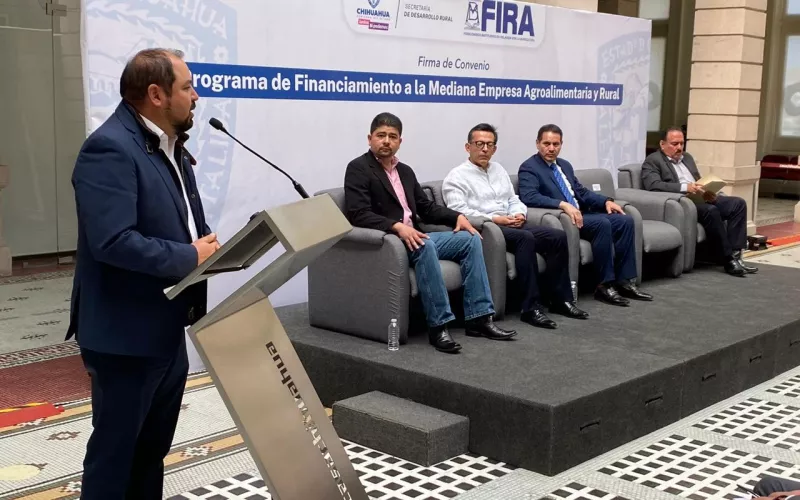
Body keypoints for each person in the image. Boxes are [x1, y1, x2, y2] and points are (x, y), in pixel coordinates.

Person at [66, 48, 219, 499]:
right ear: (156, 94)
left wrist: (206, 247)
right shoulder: (109, 148)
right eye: (187, 87)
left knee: (150, 454)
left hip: (166, 326)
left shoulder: (169, 143)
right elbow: (112, 241)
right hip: (125, 335)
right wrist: (189, 256)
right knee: (115, 459)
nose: (195, 96)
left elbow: (182, 222)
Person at [344, 112, 516, 353]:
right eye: (381, 135)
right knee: (424, 244)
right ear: (370, 138)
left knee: (469, 239)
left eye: (392, 136)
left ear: (400, 141)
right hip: (389, 240)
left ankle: (479, 318)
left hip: (415, 234)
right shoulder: (358, 168)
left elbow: (425, 207)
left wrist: (457, 217)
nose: (386, 141)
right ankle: (439, 326)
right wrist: (396, 226)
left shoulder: (404, 171)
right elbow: (359, 214)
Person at [442, 123, 588, 329]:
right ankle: (530, 308)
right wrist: (495, 219)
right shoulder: (457, 176)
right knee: (525, 239)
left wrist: (519, 213)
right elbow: (458, 211)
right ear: (468, 147)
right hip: (487, 229)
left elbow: (513, 199)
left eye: (489, 145)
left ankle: (560, 300)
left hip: (511, 222)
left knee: (556, 236)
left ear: (494, 149)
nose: (485, 149)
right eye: (479, 144)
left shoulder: (498, 170)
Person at [518, 124, 653, 306]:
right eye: (546, 144)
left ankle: (625, 281)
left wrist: (605, 201)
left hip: (583, 214)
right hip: (563, 219)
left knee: (625, 221)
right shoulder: (529, 167)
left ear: (561, 144)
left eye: (556, 144)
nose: (551, 148)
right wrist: (562, 204)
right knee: (602, 223)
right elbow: (529, 196)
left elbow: (581, 192)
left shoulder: (564, 165)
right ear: (537, 143)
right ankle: (604, 285)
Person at [641, 126, 756, 277]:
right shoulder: (653, 160)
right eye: (674, 144)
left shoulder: (687, 158)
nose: (679, 148)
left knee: (737, 204)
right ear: (662, 144)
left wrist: (708, 191)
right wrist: (685, 187)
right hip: (683, 202)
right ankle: (728, 260)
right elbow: (653, 185)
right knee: (711, 211)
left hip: (700, 197)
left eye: (682, 143)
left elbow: (698, 180)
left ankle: (736, 256)